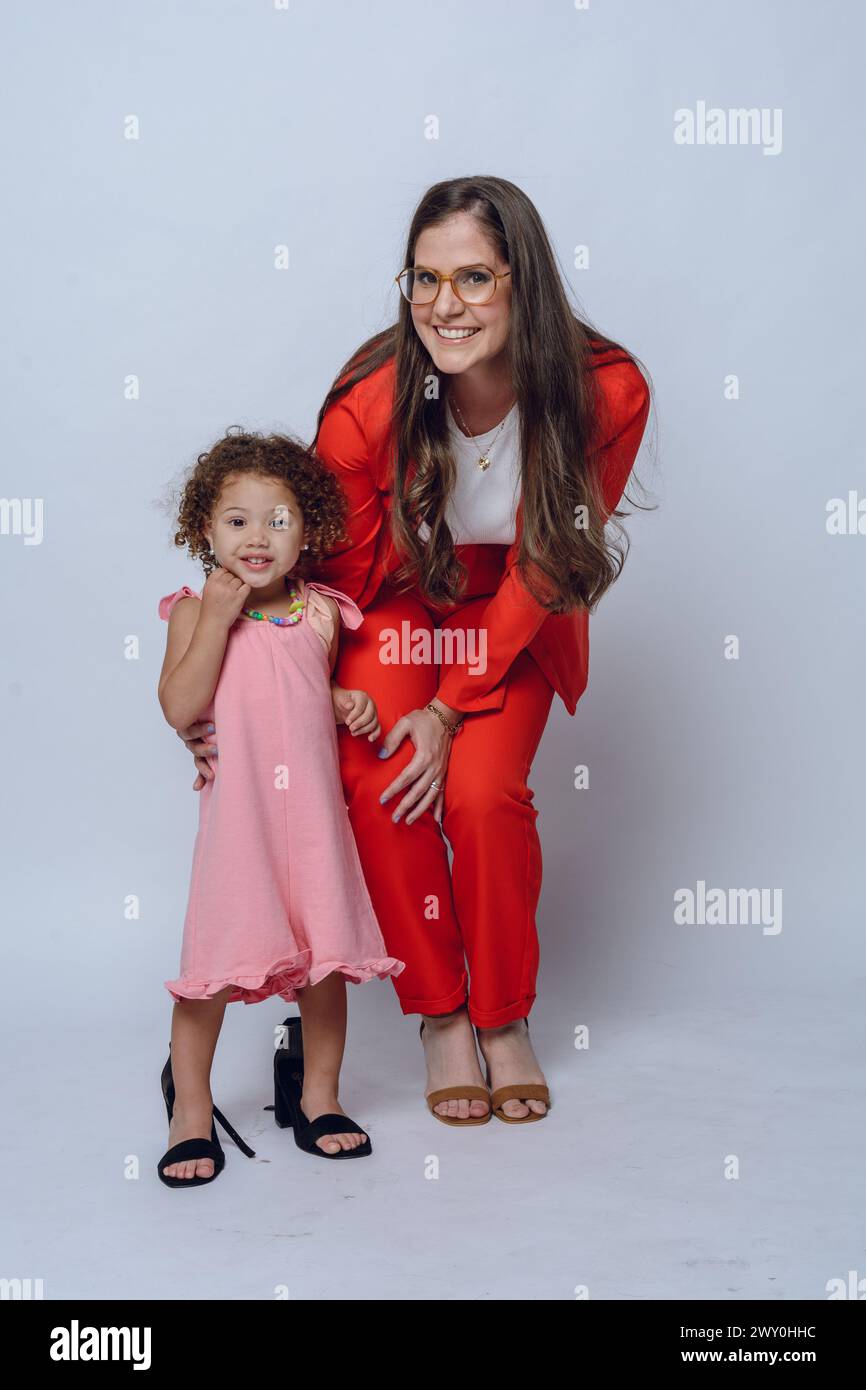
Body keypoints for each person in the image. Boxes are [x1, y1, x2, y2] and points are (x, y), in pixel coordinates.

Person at [178, 175, 653, 1128]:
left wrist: (448, 708)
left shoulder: (606, 390)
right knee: (374, 770)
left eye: (474, 277)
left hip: (519, 603)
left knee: (481, 791)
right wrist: (248, 702)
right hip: (395, 603)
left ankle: (504, 1016)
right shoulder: (370, 405)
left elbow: (552, 557)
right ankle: (440, 1015)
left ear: (525, 283)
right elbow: (338, 578)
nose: (445, 306)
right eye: (424, 279)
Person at [156, 430, 404, 1184]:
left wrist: (345, 701)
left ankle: (318, 1094)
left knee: (325, 961)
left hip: (312, 827)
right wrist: (221, 617)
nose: (257, 537)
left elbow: (293, 691)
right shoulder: (193, 612)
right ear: (205, 530)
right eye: (236, 520)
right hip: (241, 828)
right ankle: (190, 1107)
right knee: (217, 966)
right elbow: (181, 706)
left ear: (310, 532)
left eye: (278, 519)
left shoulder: (321, 613)